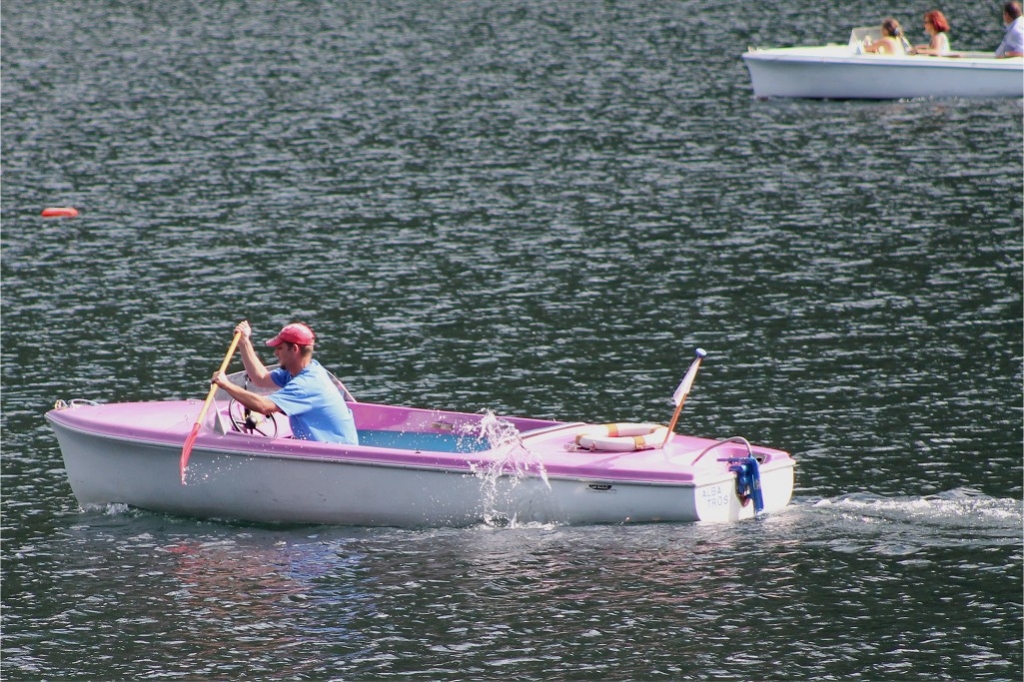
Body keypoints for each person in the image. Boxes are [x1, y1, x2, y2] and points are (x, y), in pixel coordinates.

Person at [211, 321, 359, 445]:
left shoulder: (306, 384)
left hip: (337, 455)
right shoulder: (302, 370)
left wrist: (226, 385)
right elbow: (260, 378)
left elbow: (264, 406)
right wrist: (244, 342)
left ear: (294, 349)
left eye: (279, 348)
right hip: (326, 451)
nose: (275, 353)